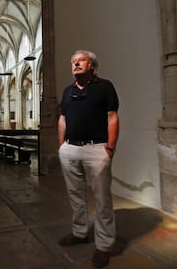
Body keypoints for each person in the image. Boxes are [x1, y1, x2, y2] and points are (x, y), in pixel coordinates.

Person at [57, 50, 119, 268]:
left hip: (96, 148)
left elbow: (112, 117)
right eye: (73, 61)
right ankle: (79, 232)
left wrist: (109, 148)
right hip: (70, 150)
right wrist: (62, 146)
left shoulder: (105, 87)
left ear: (92, 65)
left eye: (80, 60)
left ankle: (104, 246)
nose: (75, 63)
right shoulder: (68, 91)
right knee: (75, 196)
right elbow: (62, 118)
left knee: (102, 200)